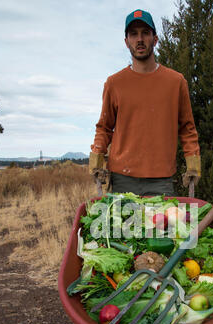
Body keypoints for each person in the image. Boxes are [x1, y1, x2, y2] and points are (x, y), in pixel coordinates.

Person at [89, 9, 201, 197]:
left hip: (161, 180)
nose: (139, 39)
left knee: (161, 226)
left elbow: (187, 128)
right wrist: (96, 161)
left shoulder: (176, 82)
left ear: (155, 39)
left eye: (145, 33)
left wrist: (193, 165)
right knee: (122, 227)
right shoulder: (114, 83)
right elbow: (104, 128)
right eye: (133, 34)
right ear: (126, 42)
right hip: (121, 178)